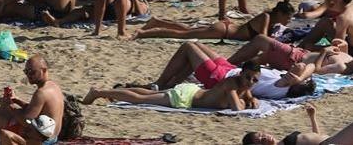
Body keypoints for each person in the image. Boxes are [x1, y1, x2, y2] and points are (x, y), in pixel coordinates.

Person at [150, 41, 316, 99]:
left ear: (295, 84)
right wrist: (301, 78)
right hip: (230, 70)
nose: (294, 72)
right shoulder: (287, 80)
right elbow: (310, 67)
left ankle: (160, 83)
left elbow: (305, 67)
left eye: (297, 76)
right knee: (197, 46)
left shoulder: (281, 86)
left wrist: (298, 79)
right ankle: (169, 83)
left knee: (188, 48)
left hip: (220, 78)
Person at [83, 61, 260, 112]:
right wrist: (247, 101)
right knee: (140, 99)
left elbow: (249, 99)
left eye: (254, 80)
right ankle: (98, 92)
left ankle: (107, 92)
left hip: (191, 92)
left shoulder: (243, 87)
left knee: (145, 93)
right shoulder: (231, 85)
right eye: (248, 77)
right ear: (240, 74)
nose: (250, 82)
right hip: (185, 98)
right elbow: (237, 108)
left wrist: (251, 97)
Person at [134, 0, 294, 41]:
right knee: (182, 34)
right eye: (288, 17)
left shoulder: (272, 19)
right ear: (279, 13)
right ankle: (143, 33)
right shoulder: (266, 17)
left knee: (186, 29)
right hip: (224, 31)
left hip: (226, 28)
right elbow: (262, 38)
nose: (289, 21)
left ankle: (156, 21)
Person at [0, 55, 64, 145]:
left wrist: (9, 106)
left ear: (44, 70)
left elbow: (26, 121)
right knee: (3, 113)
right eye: (26, 71)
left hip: (42, 141)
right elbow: (35, 109)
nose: (28, 75)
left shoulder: (41, 93)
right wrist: (17, 100)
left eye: (32, 72)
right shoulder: (54, 87)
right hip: (52, 136)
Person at [244, 105, 353, 145]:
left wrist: (312, 117)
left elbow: (316, 136)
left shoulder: (282, 141)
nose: (264, 138)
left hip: (331, 140)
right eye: (260, 141)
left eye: (261, 135)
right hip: (331, 143)